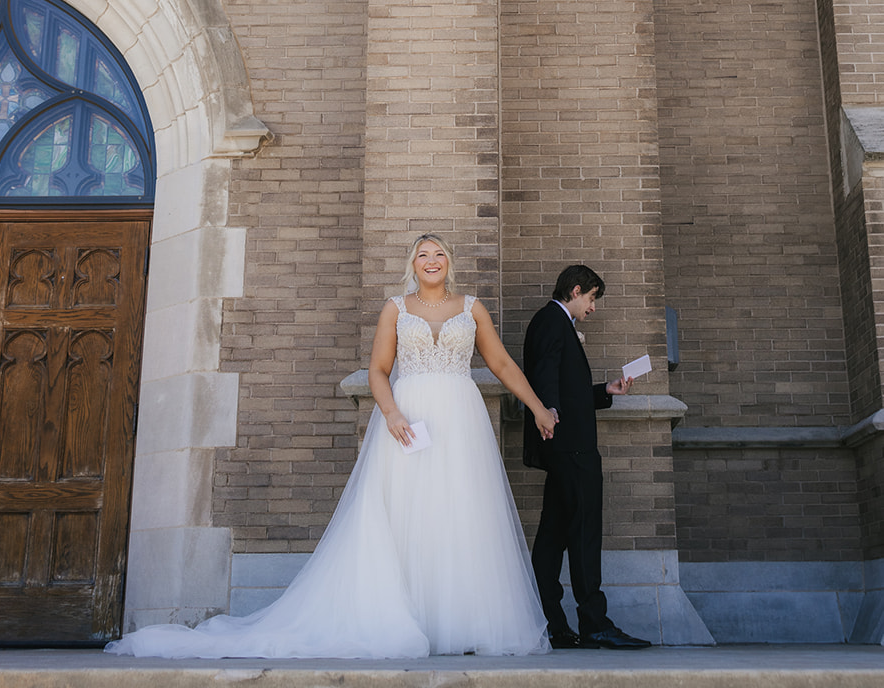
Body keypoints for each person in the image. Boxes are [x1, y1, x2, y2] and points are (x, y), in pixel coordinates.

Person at [107, 233, 556, 659]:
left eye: (438, 253)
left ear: (449, 262)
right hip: (408, 419)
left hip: (460, 419)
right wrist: (393, 413)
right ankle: (410, 618)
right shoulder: (395, 309)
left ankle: (461, 624)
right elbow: (379, 370)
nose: (432, 260)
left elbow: (499, 362)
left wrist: (537, 407)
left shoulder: (471, 308)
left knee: (460, 514)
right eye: (423, 254)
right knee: (405, 514)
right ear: (413, 265)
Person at [522, 263, 651, 650]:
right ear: (576, 291)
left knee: (553, 537)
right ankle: (594, 623)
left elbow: (567, 388)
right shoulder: (551, 320)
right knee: (583, 533)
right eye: (592, 299)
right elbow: (545, 374)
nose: (592, 308)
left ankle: (553, 624)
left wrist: (605, 391)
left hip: (562, 444)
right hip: (572, 447)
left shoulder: (554, 323)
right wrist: (550, 413)